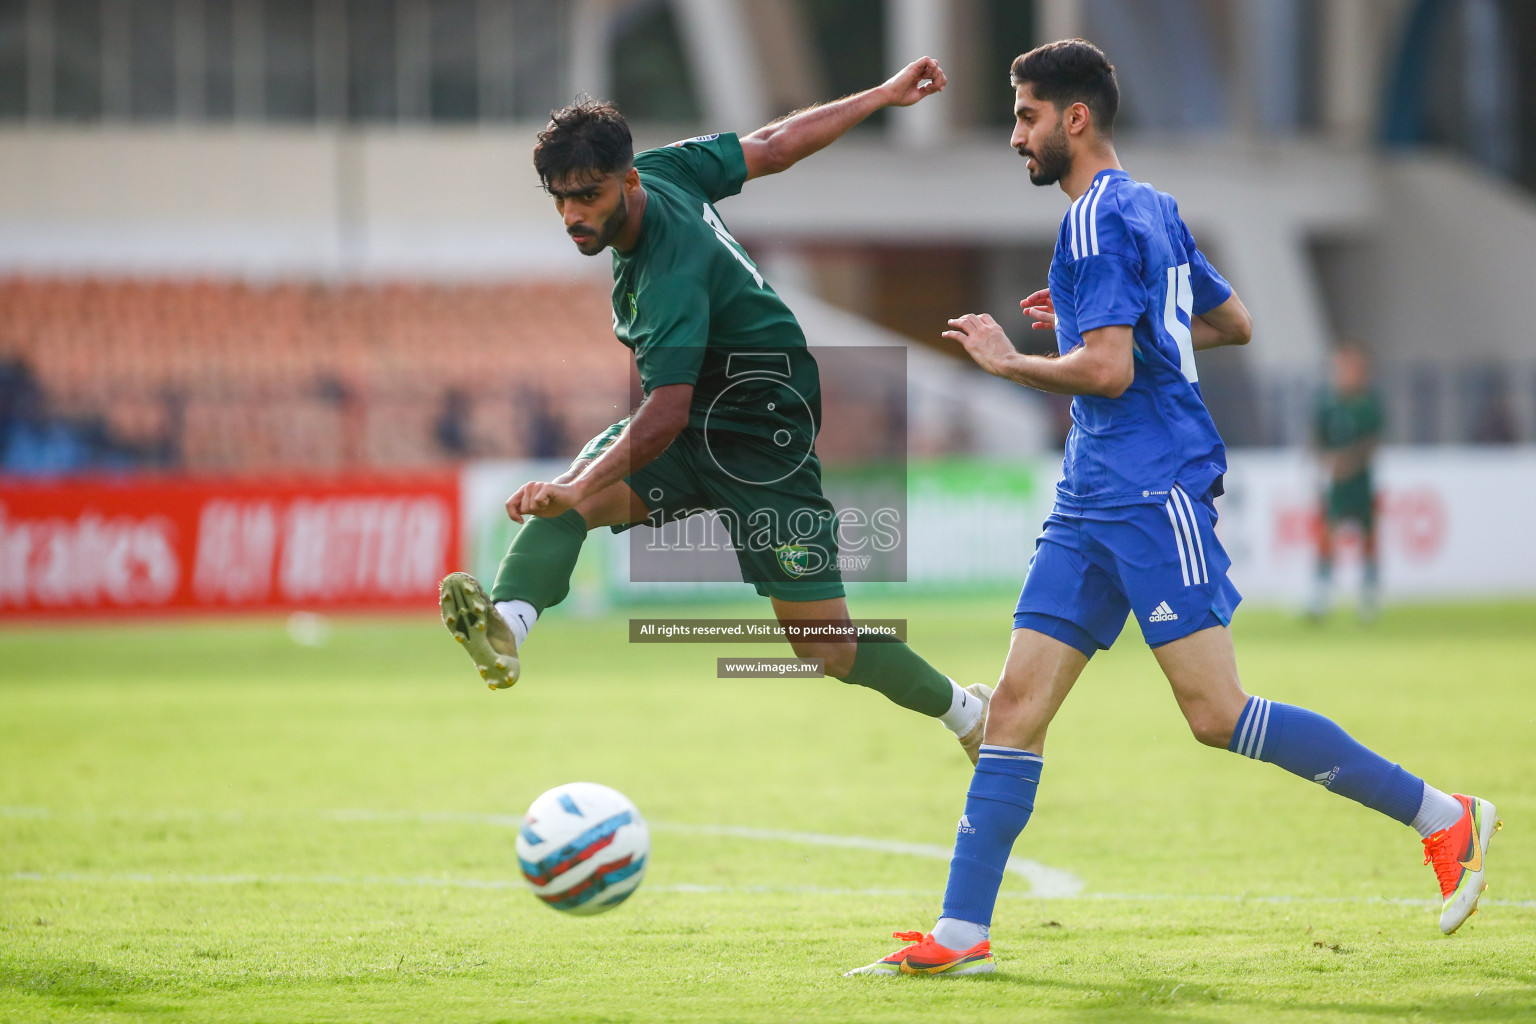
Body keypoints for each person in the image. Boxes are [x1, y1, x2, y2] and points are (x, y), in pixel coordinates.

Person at [847, 40, 1499, 978]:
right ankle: (960, 935)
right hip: (1092, 495)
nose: (1017, 136)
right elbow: (1230, 321)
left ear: (1076, 118)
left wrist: (1011, 359)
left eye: (1026, 116)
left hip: (1151, 490)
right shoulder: (1150, 207)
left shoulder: (1092, 223)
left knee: (1215, 712)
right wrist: (1109, 320)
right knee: (1018, 707)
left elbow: (1109, 371)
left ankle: (1447, 818)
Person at [438, 58, 992, 762]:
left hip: (763, 438)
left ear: (628, 180)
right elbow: (774, 145)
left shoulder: (668, 268)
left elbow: (664, 413)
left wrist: (579, 484)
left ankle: (971, 713)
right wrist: (880, 94)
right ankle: (509, 628)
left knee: (825, 645)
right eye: (559, 198)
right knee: (575, 502)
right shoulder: (663, 171)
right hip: (699, 415)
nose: (573, 215)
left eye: (587, 196)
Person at [1311, 346, 1384, 620]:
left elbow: (1371, 443)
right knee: (1327, 533)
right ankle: (1321, 593)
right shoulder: (1328, 404)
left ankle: (1369, 594)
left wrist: (1347, 463)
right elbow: (1317, 438)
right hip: (1335, 482)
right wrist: (1324, 463)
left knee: (1368, 536)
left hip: (1360, 480)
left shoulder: (1369, 405)